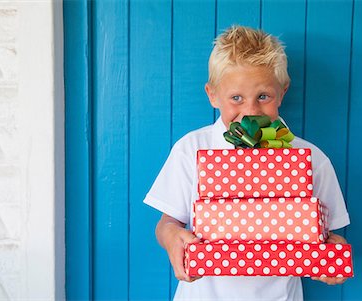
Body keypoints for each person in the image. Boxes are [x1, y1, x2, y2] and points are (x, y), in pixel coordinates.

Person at [143, 25, 350, 300]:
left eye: (263, 96)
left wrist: (332, 257)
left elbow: (331, 236)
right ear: (213, 95)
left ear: (283, 92)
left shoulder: (310, 158)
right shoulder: (191, 149)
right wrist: (172, 239)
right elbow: (167, 223)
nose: (251, 111)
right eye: (236, 98)